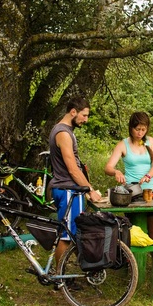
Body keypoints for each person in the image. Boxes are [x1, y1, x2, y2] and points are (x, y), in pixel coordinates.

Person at [49, 96, 101, 266]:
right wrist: (89, 189)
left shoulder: (64, 130)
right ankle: (62, 279)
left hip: (67, 189)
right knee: (67, 236)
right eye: (84, 115)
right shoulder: (63, 133)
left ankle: (70, 273)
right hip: (68, 189)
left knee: (72, 233)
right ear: (73, 112)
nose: (86, 119)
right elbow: (72, 168)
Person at [104, 112, 153, 238]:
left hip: (151, 191)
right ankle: (132, 258)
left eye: (143, 129)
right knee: (135, 234)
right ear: (131, 128)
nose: (140, 133)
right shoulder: (123, 144)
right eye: (137, 129)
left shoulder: (151, 142)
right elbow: (107, 168)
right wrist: (116, 172)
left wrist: (148, 176)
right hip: (132, 193)